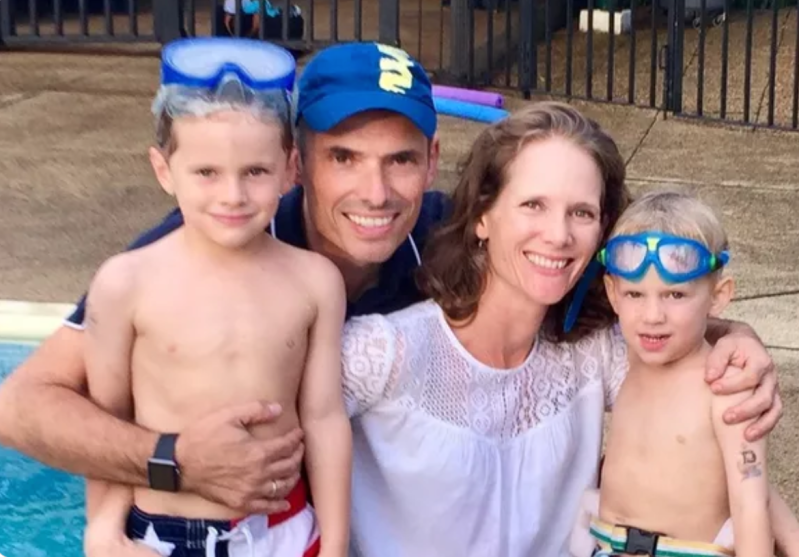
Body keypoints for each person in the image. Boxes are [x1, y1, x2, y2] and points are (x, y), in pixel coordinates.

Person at [0, 42, 782, 547]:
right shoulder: (216, 245)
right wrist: (170, 463)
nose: (376, 190)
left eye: (401, 159)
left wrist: (729, 337)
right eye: (344, 156)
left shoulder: (454, 236)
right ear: (297, 162)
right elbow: (25, 405)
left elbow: (658, 302)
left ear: (436, 163)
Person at [82, 38, 352, 557]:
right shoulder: (126, 282)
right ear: (164, 171)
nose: (232, 195)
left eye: (255, 171)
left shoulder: (315, 281)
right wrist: (103, 527)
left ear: (290, 168)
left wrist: (335, 542)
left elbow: (323, 417)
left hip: (281, 529)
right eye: (206, 172)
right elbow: (107, 420)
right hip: (162, 535)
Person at [569, 190, 799, 557]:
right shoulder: (631, 359)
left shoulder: (727, 386)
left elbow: (751, 508)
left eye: (675, 296)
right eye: (634, 295)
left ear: (719, 296)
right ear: (613, 294)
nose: (652, 315)